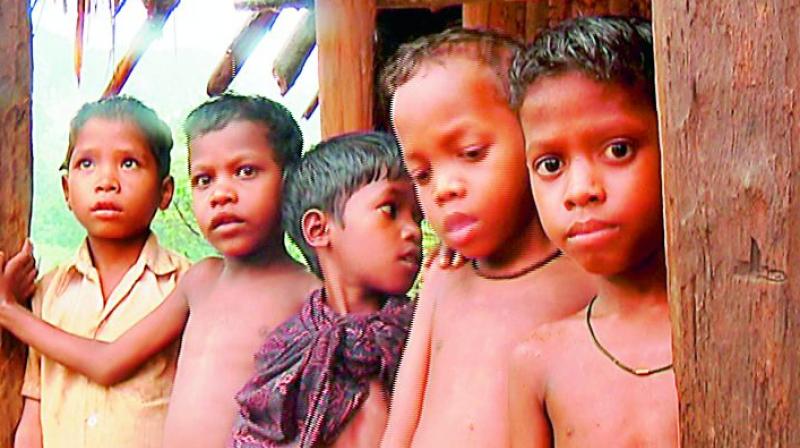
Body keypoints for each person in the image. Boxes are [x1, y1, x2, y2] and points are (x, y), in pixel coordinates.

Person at [0, 94, 320, 448]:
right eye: (203, 180)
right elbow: (105, 363)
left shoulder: (311, 296)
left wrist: (9, 312)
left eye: (245, 172)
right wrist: (12, 312)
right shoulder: (200, 283)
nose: (221, 194)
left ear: (293, 183)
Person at [379, 28, 596, 447]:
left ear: (535, 138)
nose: (444, 188)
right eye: (422, 174)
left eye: (472, 153)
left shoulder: (585, 279)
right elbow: (401, 422)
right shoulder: (443, 280)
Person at [507, 16, 678, 447]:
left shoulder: (753, 330)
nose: (580, 191)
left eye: (618, 150)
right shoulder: (540, 363)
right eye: (551, 165)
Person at [1, 96, 191, 448]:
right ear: (66, 190)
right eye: (87, 163)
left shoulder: (184, 285)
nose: (107, 181)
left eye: (130, 163)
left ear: (165, 192)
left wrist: (7, 311)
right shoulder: (48, 291)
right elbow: (35, 407)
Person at [230, 131, 421, 448]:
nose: (412, 230)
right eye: (390, 209)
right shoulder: (291, 349)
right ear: (319, 229)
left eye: (417, 217)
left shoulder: (425, 329)